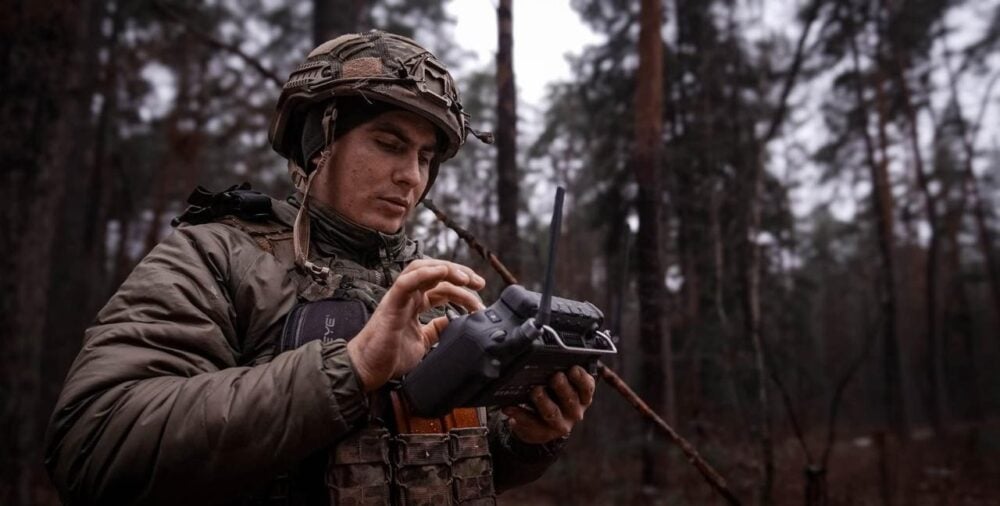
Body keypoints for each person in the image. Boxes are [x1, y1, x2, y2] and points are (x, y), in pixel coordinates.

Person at [44, 30, 596, 505]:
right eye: (389, 143)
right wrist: (350, 368)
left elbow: (448, 464)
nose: (411, 176)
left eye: (425, 157)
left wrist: (526, 439)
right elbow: (94, 446)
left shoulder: (432, 286)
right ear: (318, 143)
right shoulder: (217, 257)